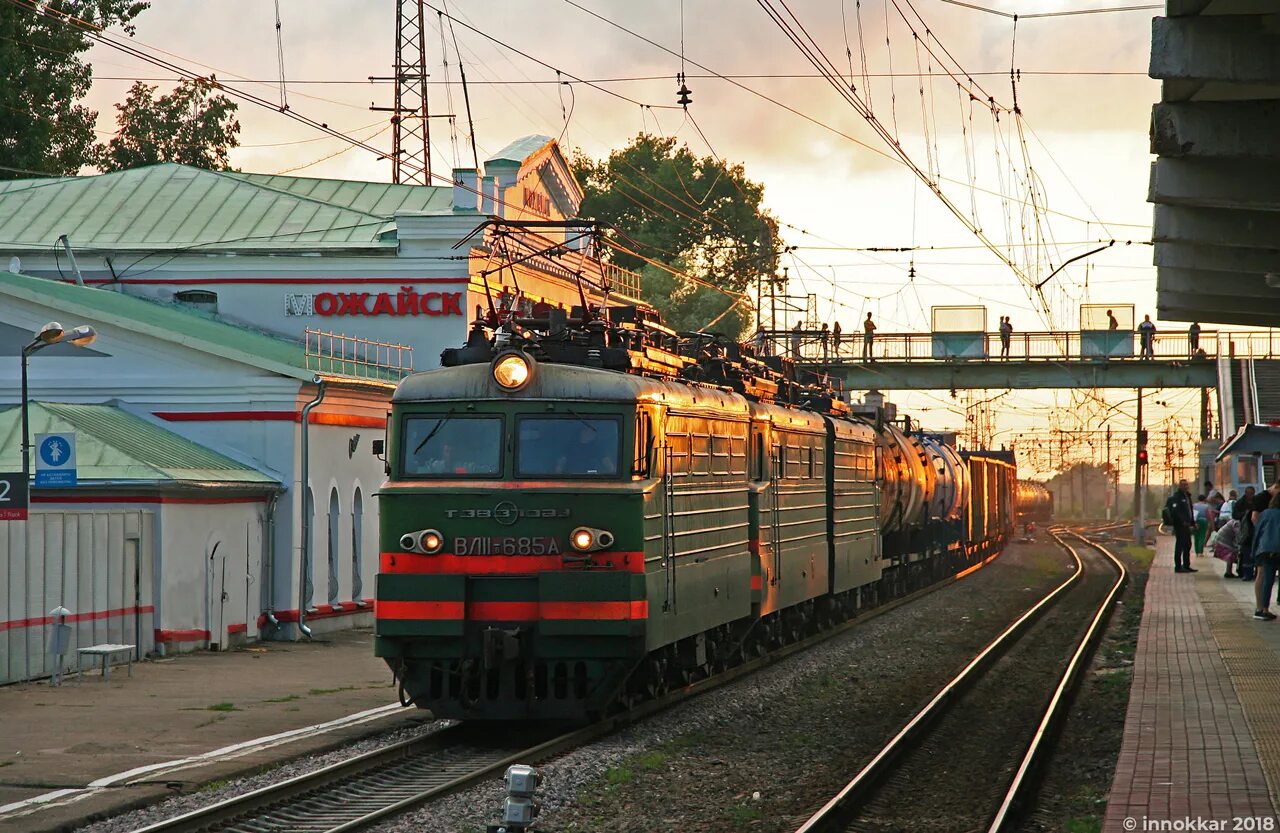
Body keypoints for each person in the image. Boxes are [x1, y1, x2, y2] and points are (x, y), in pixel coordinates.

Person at [1251, 489, 1280, 620]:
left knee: (1268, 580)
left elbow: (1257, 532)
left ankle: (1264, 609)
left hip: (1265, 550)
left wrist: (1254, 551)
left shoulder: (1265, 514)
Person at [1164, 478, 1195, 573]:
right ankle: (1178, 566)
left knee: (1187, 545)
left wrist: (1193, 522)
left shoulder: (1187, 496)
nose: (1186, 487)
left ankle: (1186, 565)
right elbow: (1176, 512)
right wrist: (1182, 522)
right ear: (1180, 486)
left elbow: (1189, 511)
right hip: (1180, 525)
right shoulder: (1177, 497)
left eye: (1186, 485)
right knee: (1180, 545)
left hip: (1187, 525)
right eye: (1183, 485)